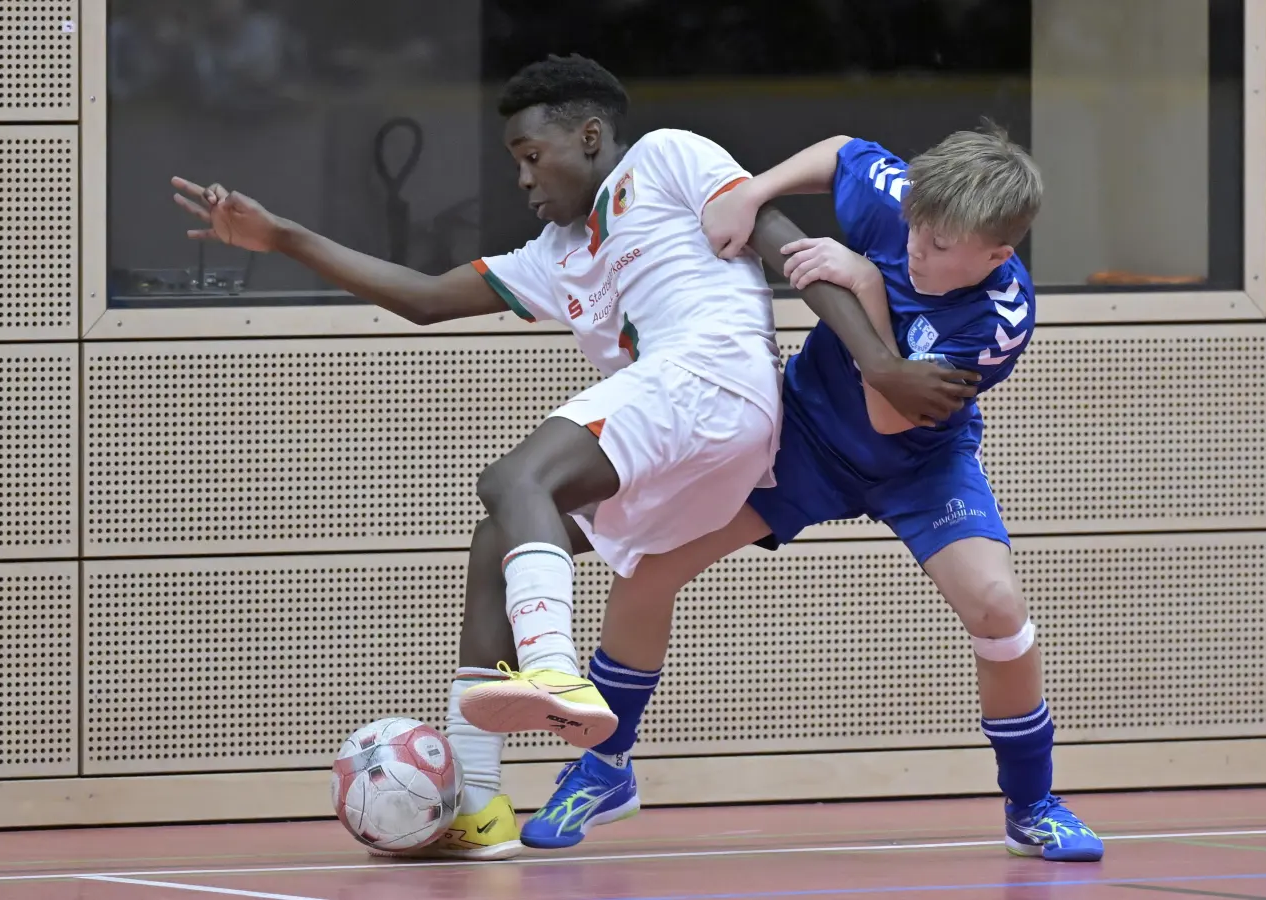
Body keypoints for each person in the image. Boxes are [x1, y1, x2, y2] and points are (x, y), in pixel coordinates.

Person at [172, 54, 976, 861]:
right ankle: (481, 805)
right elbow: (421, 299)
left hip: (713, 382)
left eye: (532, 156)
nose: (523, 179)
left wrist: (878, 362)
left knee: (515, 478)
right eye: (514, 164)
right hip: (693, 455)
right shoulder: (554, 255)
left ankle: (555, 672)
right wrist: (281, 238)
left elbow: (784, 241)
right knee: (501, 534)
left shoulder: (667, 157)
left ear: (589, 136)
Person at [510, 125, 1106, 863]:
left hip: (920, 464)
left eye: (943, 244)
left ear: (997, 254)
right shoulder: (904, 205)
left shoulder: (997, 320)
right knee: (646, 570)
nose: (919, 245)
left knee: (999, 608)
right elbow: (841, 151)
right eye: (917, 225)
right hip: (800, 439)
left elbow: (894, 410)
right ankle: (604, 767)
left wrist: (864, 281)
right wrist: (754, 192)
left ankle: (1032, 804)